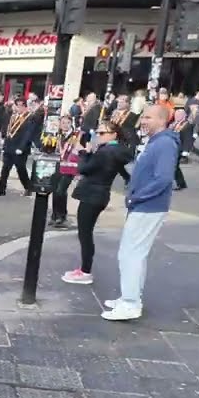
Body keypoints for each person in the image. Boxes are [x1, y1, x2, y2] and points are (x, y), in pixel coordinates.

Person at [102, 105, 178, 321]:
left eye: (148, 117)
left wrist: (137, 197)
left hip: (148, 206)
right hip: (144, 205)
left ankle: (130, 303)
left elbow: (163, 179)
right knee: (135, 253)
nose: (143, 121)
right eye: (142, 116)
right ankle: (131, 296)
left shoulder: (164, 144)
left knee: (130, 254)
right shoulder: (157, 142)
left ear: (162, 120)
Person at [62, 121, 134, 286]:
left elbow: (84, 168)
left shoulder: (106, 152)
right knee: (85, 232)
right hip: (100, 194)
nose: (98, 136)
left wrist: (83, 153)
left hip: (92, 194)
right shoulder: (119, 151)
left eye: (103, 133)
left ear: (114, 134)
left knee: (85, 233)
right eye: (98, 133)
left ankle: (85, 271)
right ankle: (84, 269)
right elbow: (127, 173)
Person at [0, 98, 38, 196]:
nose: (18, 108)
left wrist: (21, 147)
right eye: (17, 105)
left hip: (20, 148)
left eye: (20, 105)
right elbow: (8, 130)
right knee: (5, 168)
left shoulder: (30, 117)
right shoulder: (13, 116)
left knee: (21, 169)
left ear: (25, 106)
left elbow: (28, 134)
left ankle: (28, 187)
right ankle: (1, 190)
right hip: (9, 146)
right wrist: (3, 142)